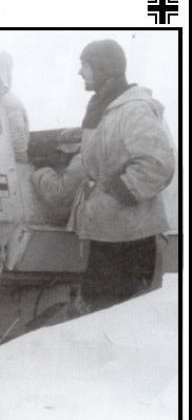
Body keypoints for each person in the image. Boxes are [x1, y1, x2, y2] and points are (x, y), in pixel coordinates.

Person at [58, 39, 174, 312]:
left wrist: (117, 190)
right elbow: (112, 147)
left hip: (131, 241)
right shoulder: (103, 106)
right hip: (108, 233)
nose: (80, 72)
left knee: (123, 317)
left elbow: (157, 164)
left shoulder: (134, 108)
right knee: (99, 314)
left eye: (85, 65)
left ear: (104, 68)